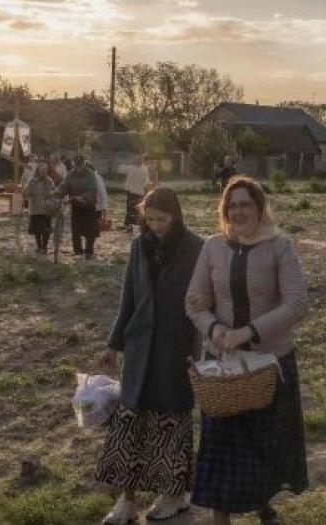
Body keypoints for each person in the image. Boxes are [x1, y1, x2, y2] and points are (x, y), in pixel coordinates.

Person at [185, 176, 311, 525]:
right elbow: (194, 301)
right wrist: (215, 329)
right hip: (222, 365)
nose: (238, 211)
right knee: (221, 446)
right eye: (232, 205)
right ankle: (220, 519)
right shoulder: (212, 247)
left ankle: (263, 505)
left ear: (259, 207)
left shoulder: (279, 247)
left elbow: (298, 303)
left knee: (263, 444)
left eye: (245, 204)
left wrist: (249, 332)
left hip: (269, 364)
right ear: (225, 211)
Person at [94, 188, 205, 524]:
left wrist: (204, 344)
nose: (155, 225)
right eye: (150, 218)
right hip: (139, 348)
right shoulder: (139, 245)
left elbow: (204, 299)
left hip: (177, 348)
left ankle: (174, 496)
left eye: (162, 219)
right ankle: (126, 502)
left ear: (176, 215)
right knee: (128, 423)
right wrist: (113, 345)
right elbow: (128, 297)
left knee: (170, 424)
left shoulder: (195, 247)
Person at [56, 155, 100, 259]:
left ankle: (89, 251)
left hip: (88, 206)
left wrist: (82, 197)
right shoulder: (70, 175)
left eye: (80, 166)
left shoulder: (90, 175)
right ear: (74, 165)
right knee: (76, 230)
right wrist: (57, 193)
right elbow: (64, 187)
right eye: (76, 166)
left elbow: (92, 190)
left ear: (84, 164)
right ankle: (78, 251)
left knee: (90, 231)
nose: (78, 168)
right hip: (76, 206)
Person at [23, 163, 57, 254]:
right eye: (41, 170)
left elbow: (53, 194)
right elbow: (26, 193)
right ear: (37, 171)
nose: (42, 172)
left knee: (45, 229)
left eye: (44, 170)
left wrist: (51, 202)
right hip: (35, 209)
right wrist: (27, 187)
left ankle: (44, 246)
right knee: (37, 230)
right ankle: (39, 245)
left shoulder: (49, 181)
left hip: (46, 209)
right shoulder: (32, 181)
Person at [122, 158, 152, 234]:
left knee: (130, 209)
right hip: (140, 193)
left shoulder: (131, 168)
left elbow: (120, 169)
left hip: (132, 192)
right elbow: (147, 182)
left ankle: (129, 226)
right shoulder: (145, 169)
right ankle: (135, 226)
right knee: (137, 210)